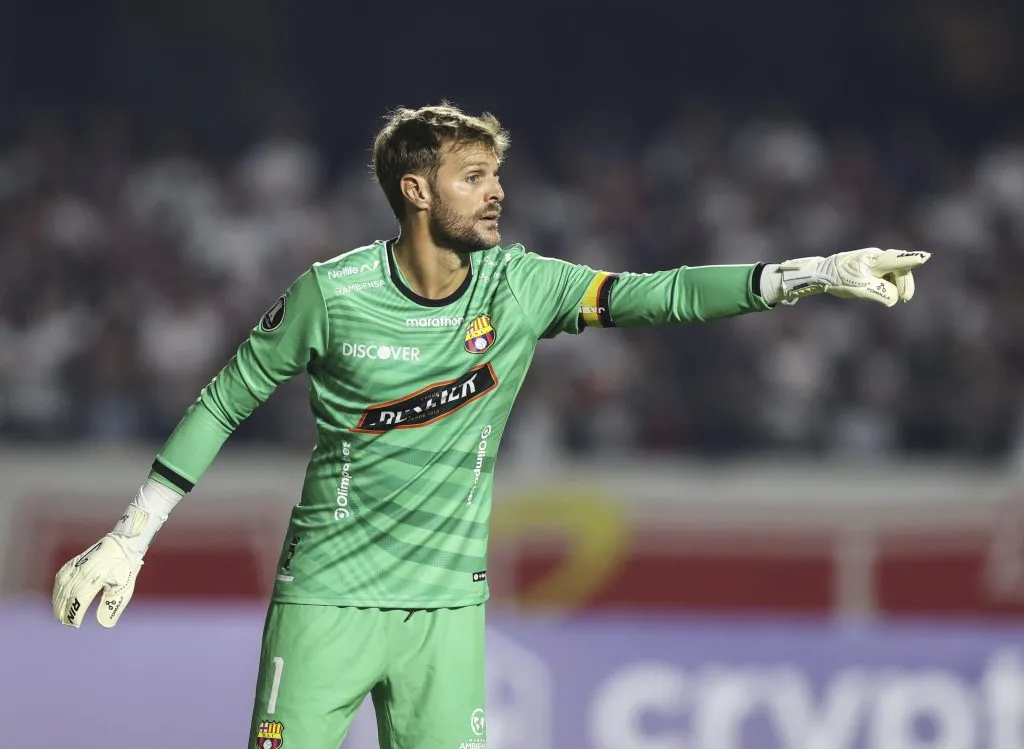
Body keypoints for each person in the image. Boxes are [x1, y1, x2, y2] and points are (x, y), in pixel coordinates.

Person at [51, 103, 930, 749]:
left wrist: (806, 273)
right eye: (474, 177)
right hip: (327, 602)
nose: (497, 192)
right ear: (417, 190)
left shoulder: (521, 286)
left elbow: (653, 294)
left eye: (496, 175)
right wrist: (131, 538)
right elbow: (223, 401)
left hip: (448, 612)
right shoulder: (335, 293)